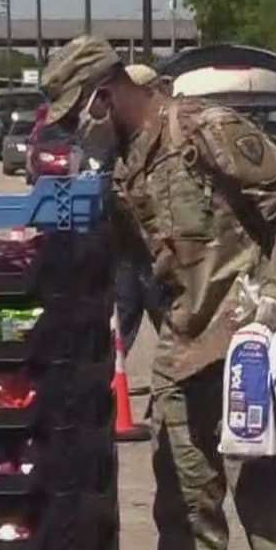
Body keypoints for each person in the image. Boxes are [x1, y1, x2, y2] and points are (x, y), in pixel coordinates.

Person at [42, 36, 276, 550]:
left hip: (246, 344)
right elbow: (129, 259)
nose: (72, 134)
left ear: (101, 96)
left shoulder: (204, 130)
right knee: (183, 510)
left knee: (266, 508)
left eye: (72, 119)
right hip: (183, 348)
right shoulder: (125, 168)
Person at [113, 63, 163, 357]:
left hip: (161, 254)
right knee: (122, 320)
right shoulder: (118, 136)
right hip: (127, 249)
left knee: (174, 330)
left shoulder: (169, 133)